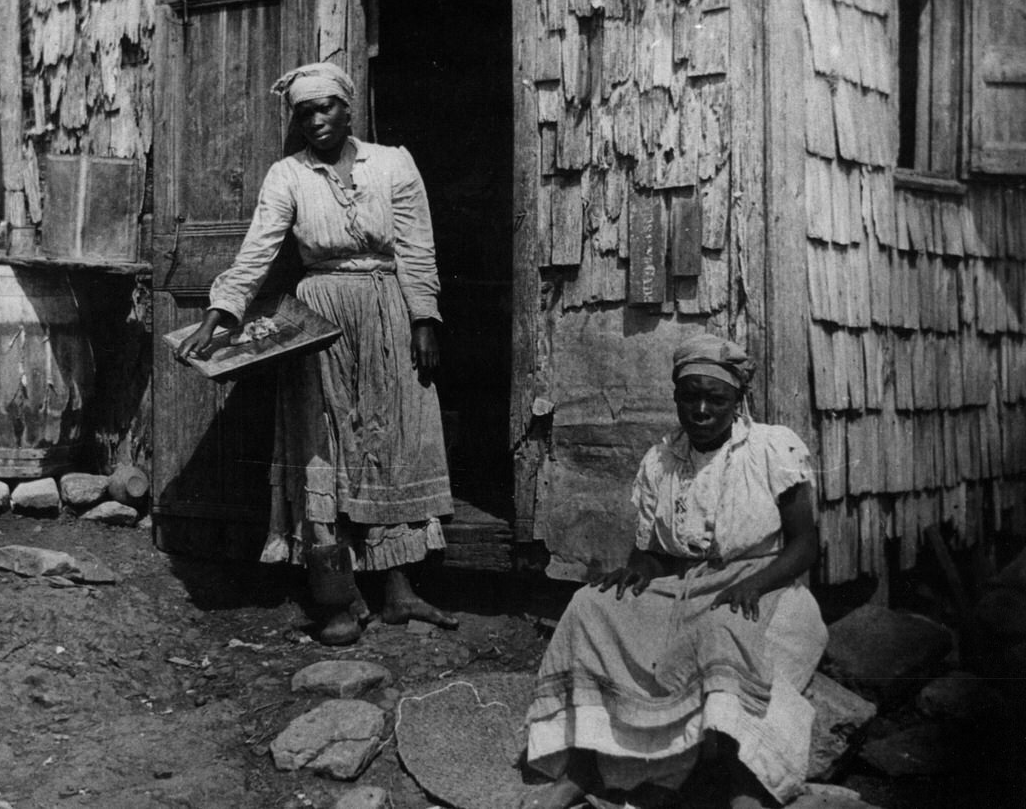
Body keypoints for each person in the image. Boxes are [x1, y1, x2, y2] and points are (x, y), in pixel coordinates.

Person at [175, 61, 457, 646]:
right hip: (321, 315)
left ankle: (401, 592)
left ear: (347, 109)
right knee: (325, 444)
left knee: (393, 440)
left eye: (325, 107)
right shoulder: (288, 176)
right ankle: (339, 598)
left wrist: (425, 318)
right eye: (303, 112)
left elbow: (417, 246)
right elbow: (257, 251)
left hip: (388, 307)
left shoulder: (394, 163)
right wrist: (220, 311)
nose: (315, 120)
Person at [521, 334, 827, 809]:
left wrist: (754, 583)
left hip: (761, 580)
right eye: (691, 397)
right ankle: (586, 767)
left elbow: (805, 543)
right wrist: (637, 570)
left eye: (716, 399)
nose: (702, 410)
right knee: (589, 605)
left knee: (721, 629)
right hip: (680, 585)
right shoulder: (661, 460)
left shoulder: (772, 448)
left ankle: (744, 782)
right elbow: (654, 552)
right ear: (675, 397)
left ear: (737, 400)